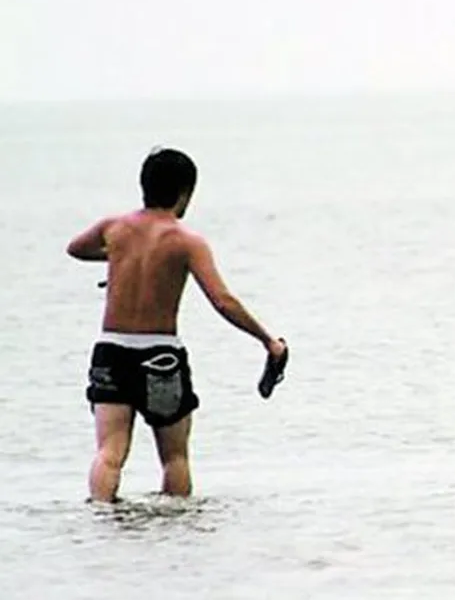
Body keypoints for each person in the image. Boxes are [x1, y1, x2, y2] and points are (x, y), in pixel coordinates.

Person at [66, 147, 288, 503]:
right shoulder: (186, 241)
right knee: (174, 457)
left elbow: (75, 248)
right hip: (160, 357)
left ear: (144, 185)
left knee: (110, 452)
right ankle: (176, 538)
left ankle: (101, 522)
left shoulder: (114, 228)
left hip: (110, 351)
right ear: (185, 193)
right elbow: (222, 300)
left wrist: (117, 257)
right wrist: (267, 340)